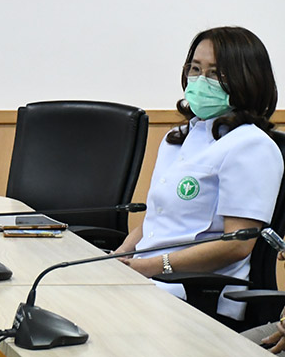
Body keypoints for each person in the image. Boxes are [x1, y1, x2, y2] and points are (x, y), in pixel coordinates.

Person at [113, 26, 283, 321]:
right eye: (195, 69)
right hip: (148, 277)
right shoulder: (177, 139)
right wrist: (118, 257)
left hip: (195, 293)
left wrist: (150, 267)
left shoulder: (251, 145)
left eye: (215, 73)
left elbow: (237, 245)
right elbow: (157, 219)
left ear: (246, 80)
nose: (201, 80)